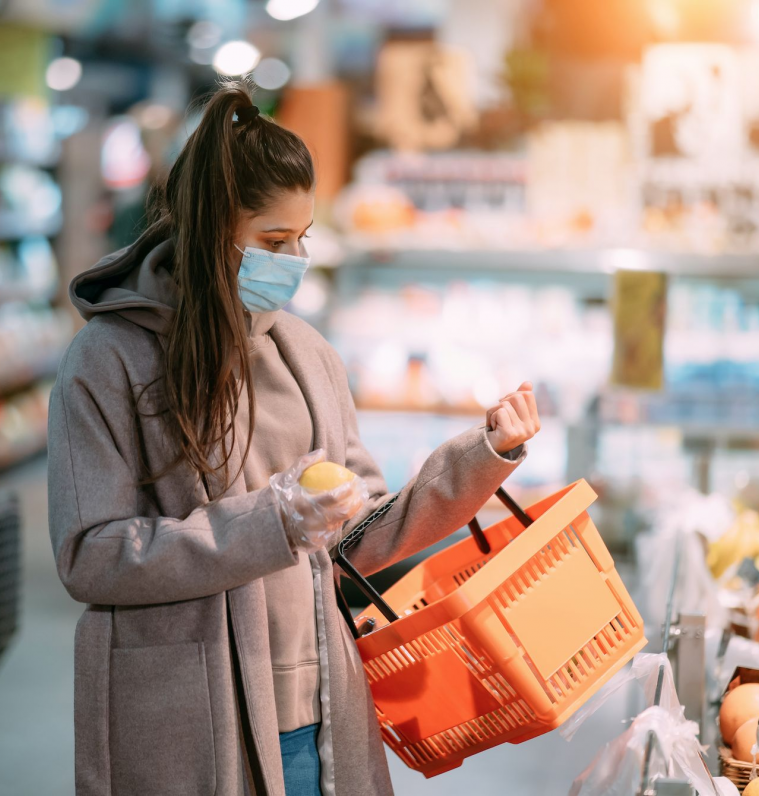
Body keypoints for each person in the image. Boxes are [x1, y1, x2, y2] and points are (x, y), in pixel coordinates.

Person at [47, 81, 539, 796]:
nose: (294, 260)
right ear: (212, 228)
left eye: (303, 238)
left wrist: (480, 457)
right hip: (189, 719)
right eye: (274, 242)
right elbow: (89, 559)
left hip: (315, 713)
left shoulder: (306, 356)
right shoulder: (109, 361)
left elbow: (359, 543)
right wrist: (268, 523)